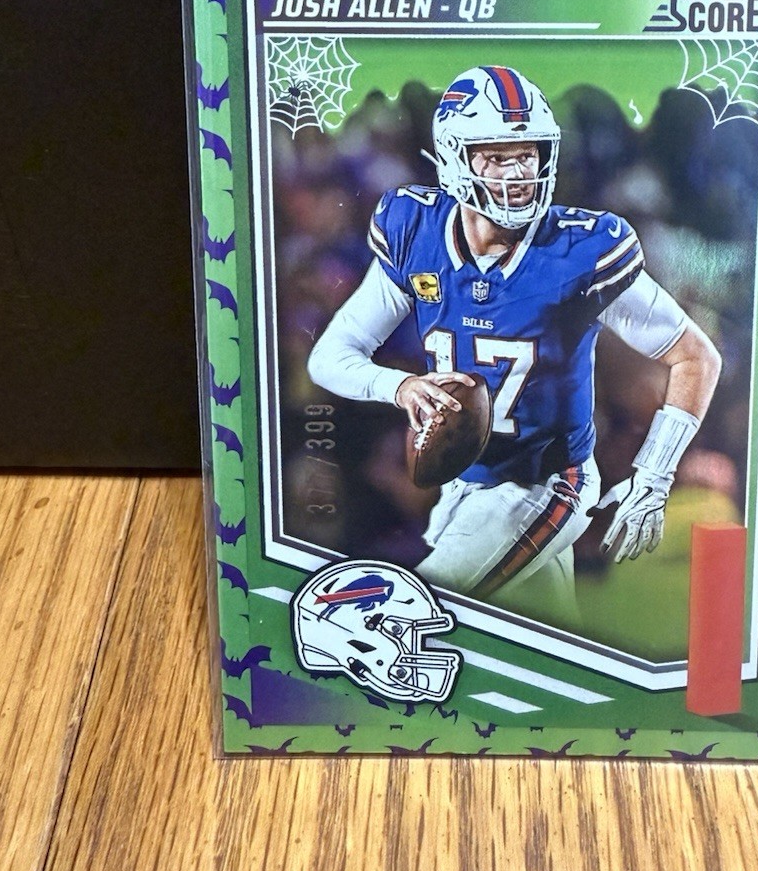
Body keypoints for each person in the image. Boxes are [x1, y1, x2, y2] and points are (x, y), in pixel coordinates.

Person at [308, 65, 721, 611]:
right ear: (454, 156)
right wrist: (400, 387)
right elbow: (330, 357)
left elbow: (696, 357)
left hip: (545, 483)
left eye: (528, 153)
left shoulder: (578, 252)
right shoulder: (415, 230)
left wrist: (654, 476)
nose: (520, 171)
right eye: (498, 156)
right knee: (541, 636)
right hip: (464, 485)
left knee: (409, 607)